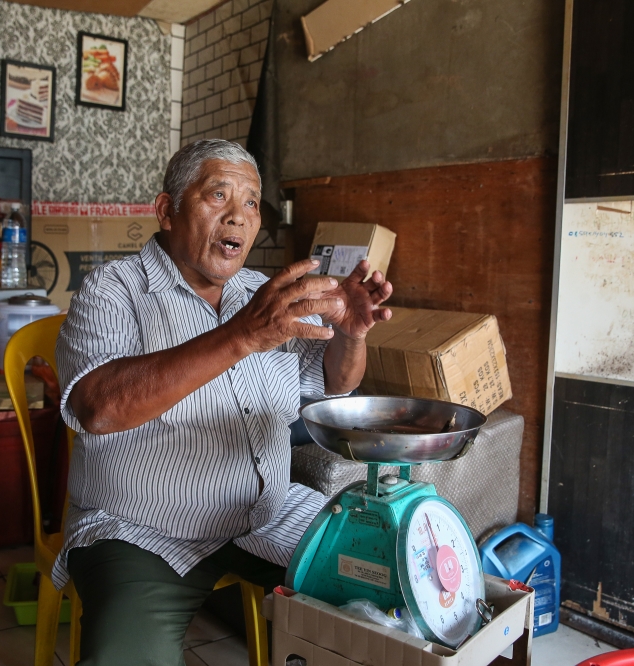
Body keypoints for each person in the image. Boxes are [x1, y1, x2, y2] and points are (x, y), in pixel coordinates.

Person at [55, 139, 393, 665]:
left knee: (396, 586)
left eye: (252, 202)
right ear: (168, 211)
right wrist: (242, 336)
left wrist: (352, 334)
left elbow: (334, 384)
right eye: (219, 194)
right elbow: (98, 409)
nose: (239, 215)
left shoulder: (265, 292)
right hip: (144, 526)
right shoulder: (112, 290)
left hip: (267, 511)